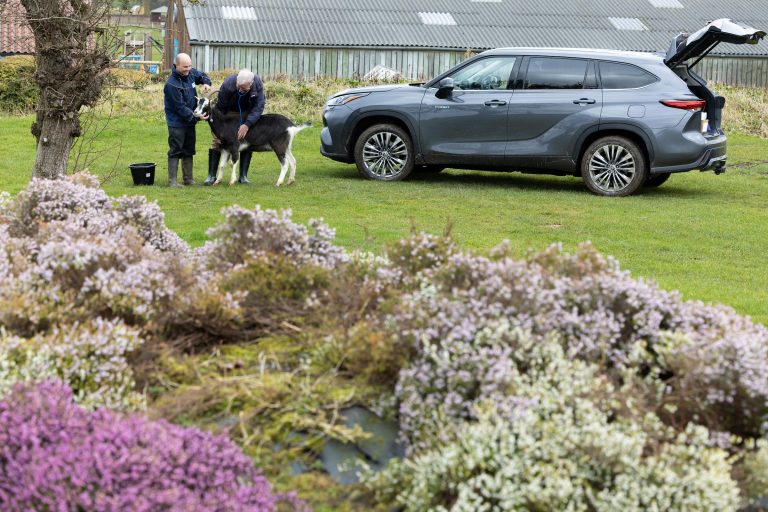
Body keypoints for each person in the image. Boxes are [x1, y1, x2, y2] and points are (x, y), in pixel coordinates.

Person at [204, 68, 265, 185]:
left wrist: (247, 124)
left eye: (244, 89)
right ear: (237, 81)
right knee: (218, 141)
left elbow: (259, 106)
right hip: (228, 113)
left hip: (247, 113)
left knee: (246, 140)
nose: (241, 91)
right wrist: (221, 129)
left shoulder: (257, 83)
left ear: (251, 84)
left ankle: (243, 176)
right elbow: (220, 107)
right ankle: (211, 175)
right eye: (239, 87)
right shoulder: (228, 85)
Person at [163, 53, 211, 187]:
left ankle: (188, 179)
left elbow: (202, 76)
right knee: (176, 150)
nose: (188, 69)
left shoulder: (191, 73)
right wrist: (196, 116)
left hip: (190, 121)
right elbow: (179, 107)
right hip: (176, 123)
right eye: (185, 67)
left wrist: (206, 83)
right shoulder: (171, 84)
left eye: (190, 66)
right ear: (176, 65)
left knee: (189, 149)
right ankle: (172, 182)